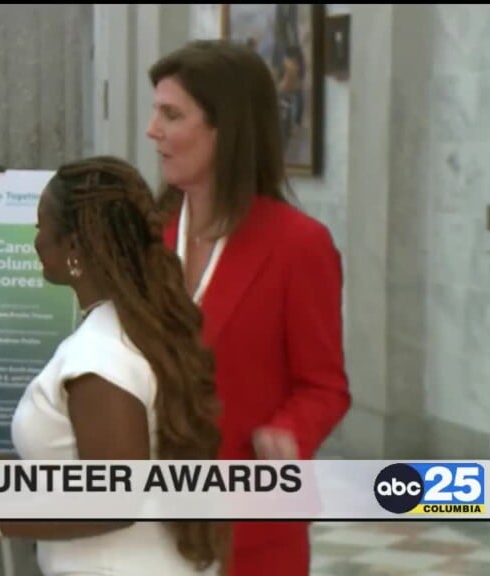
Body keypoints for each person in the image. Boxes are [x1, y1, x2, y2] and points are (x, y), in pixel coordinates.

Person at [0, 156, 228, 576]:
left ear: (74, 246)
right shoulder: (133, 328)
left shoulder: (100, 357)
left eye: (40, 227)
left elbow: (113, 499)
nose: (35, 241)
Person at [146, 40, 351, 575]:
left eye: (171, 114)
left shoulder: (298, 246)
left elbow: (325, 386)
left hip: (247, 526)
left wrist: (288, 431)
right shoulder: (146, 233)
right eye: (155, 112)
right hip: (144, 519)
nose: (153, 131)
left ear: (224, 130)